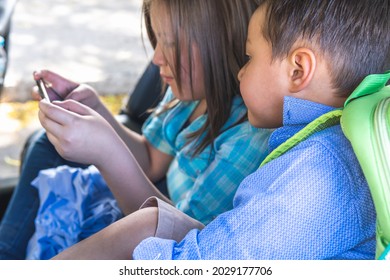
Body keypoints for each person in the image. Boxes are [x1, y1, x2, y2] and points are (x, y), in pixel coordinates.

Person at [51, 0, 389, 260]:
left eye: (250, 58)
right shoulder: (315, 150)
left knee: (145, 225)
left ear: (298, 69)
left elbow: (205, 266)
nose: (242, 73)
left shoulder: (317, 174)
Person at [0, 0, 270, 260]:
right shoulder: (190, 96)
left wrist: (107, 151)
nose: (156, 58)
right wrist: (97, 108)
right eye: (157, 39)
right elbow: (151, 160)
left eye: (171, 43)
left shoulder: (247, 139)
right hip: (144, 206)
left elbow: (175, 235)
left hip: (164, 240)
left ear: (222, 42)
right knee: (45, 143)